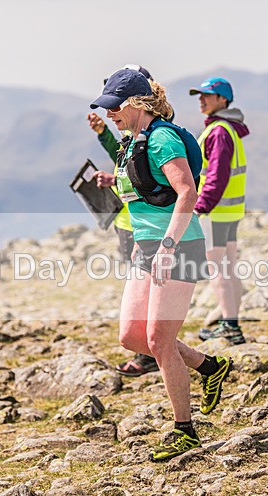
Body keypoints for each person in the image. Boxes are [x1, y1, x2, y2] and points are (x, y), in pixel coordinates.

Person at [90, 69, 232, 462]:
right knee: (132, 338)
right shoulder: (130, 141)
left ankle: (184, 430)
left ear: (136, 103)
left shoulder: (163, 137)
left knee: (158, 341)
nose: (111, 114)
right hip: (146, 249)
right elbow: (140, 192)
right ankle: (209, 365)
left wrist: (168, 245)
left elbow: (187, 191)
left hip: (179, 247)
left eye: (115, 107)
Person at [87, 65, 159, 378]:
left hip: (140, 227)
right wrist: (104, 134)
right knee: (139, 291)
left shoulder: (155, 132)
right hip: (129, 223)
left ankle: (149, 354)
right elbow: (125, 162)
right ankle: (151, 349)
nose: (112, 111)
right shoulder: (134, 133)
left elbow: (144, 178)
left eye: (117, 103)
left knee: (144, 292)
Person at [189, 77, 249, 345]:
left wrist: (200, 207)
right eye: (199, 95)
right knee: (228, 267)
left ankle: (230, 326)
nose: (201, 99)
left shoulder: (219, 131)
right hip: (230, 211)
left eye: (208, 95)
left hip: (215, 212)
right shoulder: (228, 129)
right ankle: (231, 321)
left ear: (223, 99)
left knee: (218, 269)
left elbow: (216, 175)